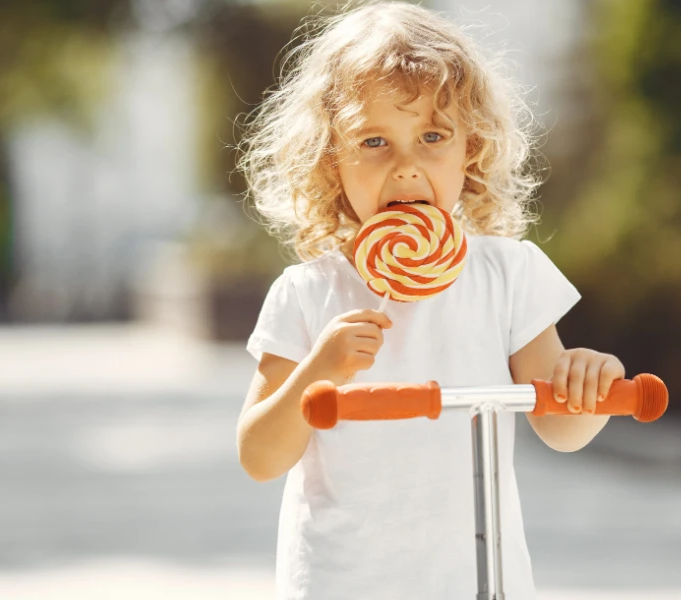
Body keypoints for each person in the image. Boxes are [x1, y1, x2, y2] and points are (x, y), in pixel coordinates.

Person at [235, 2, 625, 598]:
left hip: (476, 578)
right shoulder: (308, 294)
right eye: (373, 141)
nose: (406, 167)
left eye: (433, 137)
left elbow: (560, 427)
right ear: (329, 159)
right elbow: (260, 456)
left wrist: (590, 385)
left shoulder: (508, 274)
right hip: (342, 582)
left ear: (471, 148)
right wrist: (319, 371)